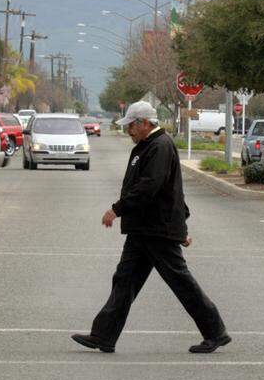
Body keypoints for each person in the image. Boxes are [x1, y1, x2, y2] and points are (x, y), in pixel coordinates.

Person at [72, 100, 229, 355]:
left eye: (131, 126)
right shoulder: (148, 146)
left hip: (157, 230)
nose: (128, 131)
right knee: (124, 280)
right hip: (143, 230)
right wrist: (182, 224)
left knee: (180, 281)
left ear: (145, 123)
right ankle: (103, 335)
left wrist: (117, 209)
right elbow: (173, 191)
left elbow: (151, 187)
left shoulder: (160, 146)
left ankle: (215, 332)